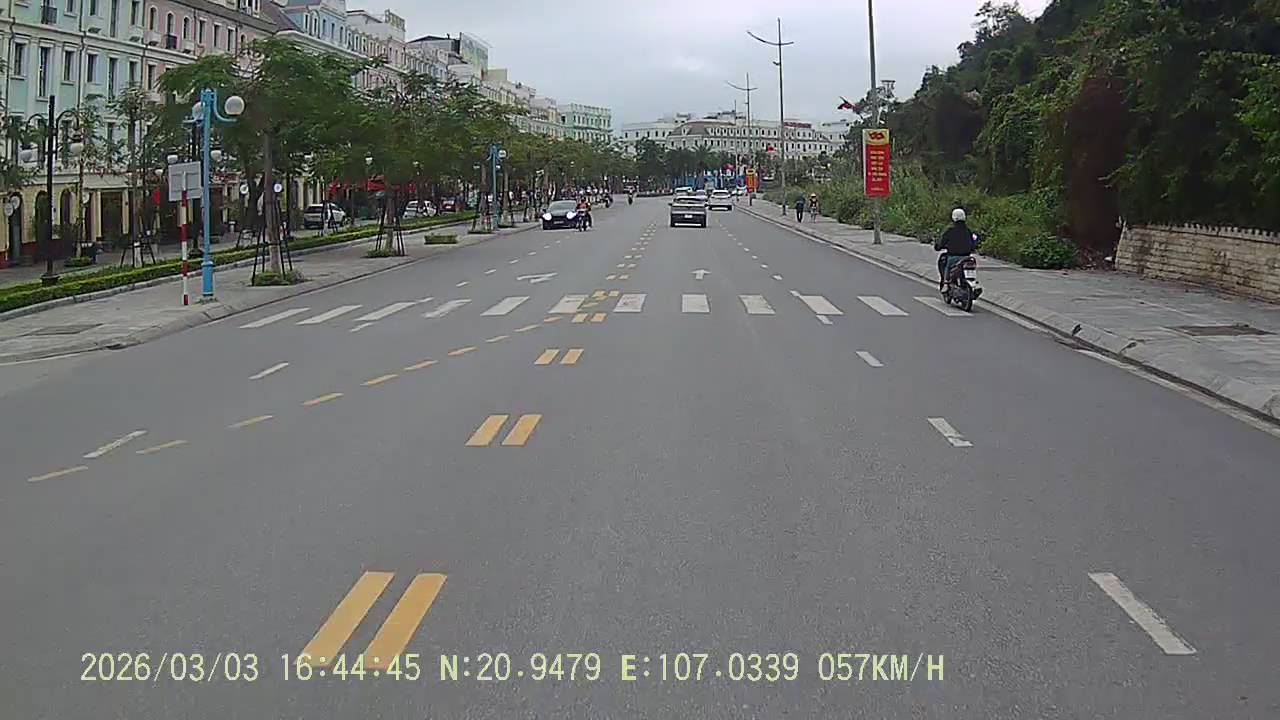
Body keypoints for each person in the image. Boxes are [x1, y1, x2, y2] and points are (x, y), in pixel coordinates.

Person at [935, 208, 977, 291]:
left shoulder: (950, 230)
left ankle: (946, 283)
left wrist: (938, 246)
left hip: (954, 257)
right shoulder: (968, 230)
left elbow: (941, 242)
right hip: (967, 257)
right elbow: (973, 243)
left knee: (947, 266)